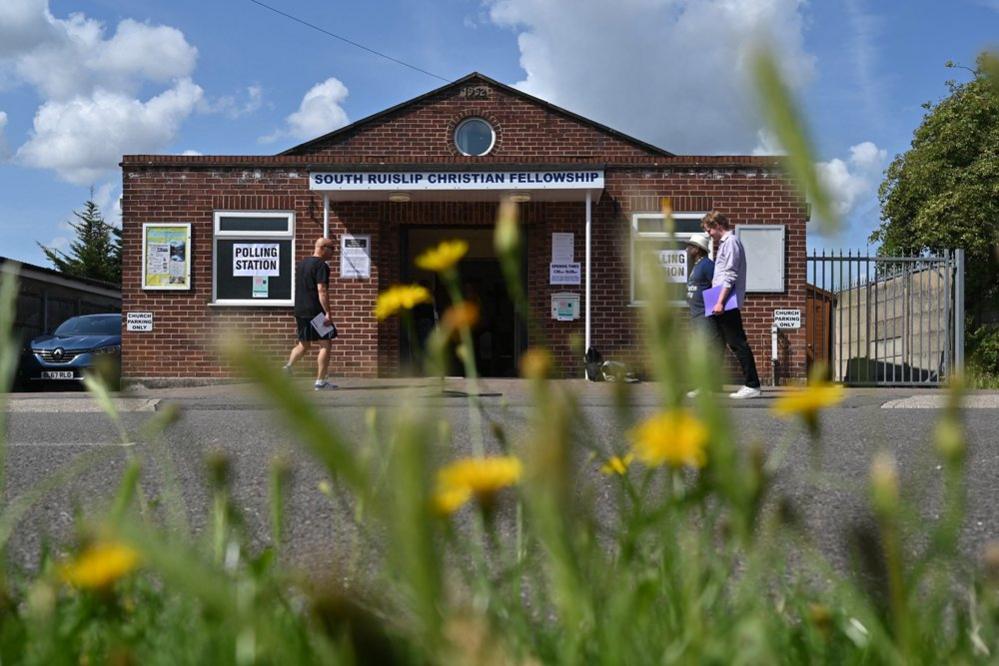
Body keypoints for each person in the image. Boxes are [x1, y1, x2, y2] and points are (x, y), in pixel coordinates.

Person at [701, 210, 761, 399]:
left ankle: (752, 385)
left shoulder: (732, 243)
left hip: (725, 301)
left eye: (709, 230)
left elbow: (730, 275)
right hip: (718, 298)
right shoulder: (725, 244)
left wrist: (719, 301)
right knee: (715, 343)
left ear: (717, 226)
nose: (708, 234)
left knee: (737, 343)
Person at [283, 237, 338, 390]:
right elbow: (322, 290)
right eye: (332, 249)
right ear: (322, 248)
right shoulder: (321, 266)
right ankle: (320, 382)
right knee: (325, 344)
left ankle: (287, 368)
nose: (334, 252)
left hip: (300, 310)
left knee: (304, 344)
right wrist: (328, 313)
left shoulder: (302, 264)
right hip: (316, 311)